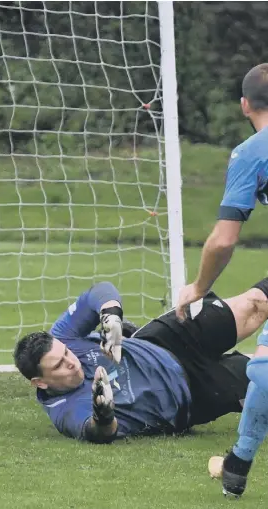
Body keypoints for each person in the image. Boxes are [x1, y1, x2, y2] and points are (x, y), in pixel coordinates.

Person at [14, 279, 268, 447]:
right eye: (58, 365)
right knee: (264, 380)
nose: (71, 362)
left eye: (67, 353)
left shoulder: (62, 336)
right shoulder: (65, 410)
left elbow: (99, 291)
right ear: (40, 382)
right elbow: (99, 433)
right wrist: (103, 415)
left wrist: (110, 315)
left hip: (166, 339)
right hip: (193, 393)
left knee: (255, 304)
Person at [175, 63, 268, 497]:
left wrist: (197, 287)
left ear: (244, 105)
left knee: (265, 369)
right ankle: (237, 464)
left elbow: (223, 240)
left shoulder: (252, 152)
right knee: (263, 364)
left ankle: (238, 463)